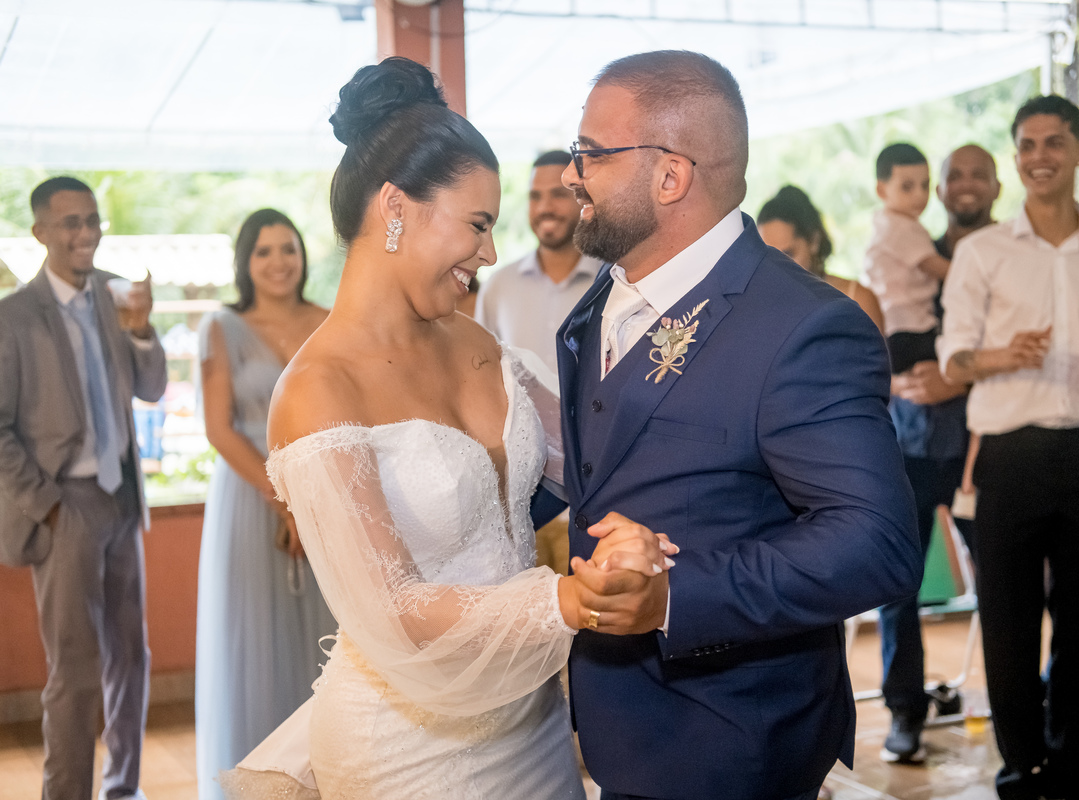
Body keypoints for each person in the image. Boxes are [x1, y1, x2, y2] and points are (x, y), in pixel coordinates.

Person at [222, 57, 673, 800]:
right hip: (406, 749)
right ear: (395, 207)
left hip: (529, 718)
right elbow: (393, 608)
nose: (491, 252)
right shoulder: (316, 390)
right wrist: (567, 600)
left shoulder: (479, 346)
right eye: (477, 224)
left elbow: (601, 464)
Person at [557, 50, 922, 800]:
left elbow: (875, 542)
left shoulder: (804, 327)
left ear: (670, 176)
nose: (571, 174)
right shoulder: (604, 300)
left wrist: (674, 597)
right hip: (622, 733)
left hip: (734, 742)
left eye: (591, 153)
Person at [938, 95, 1079, 800]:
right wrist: (1004, 355)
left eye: (1054, 143)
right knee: (1006, 622)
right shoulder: (981, 252)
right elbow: (953, 361)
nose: (1039, 157)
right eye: (1027, 145)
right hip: (1008, 457)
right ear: (1016, 158)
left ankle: (1068, 772)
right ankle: (1019, 768)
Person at [0, 176, 167, 800]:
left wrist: (143, 330)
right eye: (70, 222)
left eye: (92, 219)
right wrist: (43, 504)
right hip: (63, 503)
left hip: (123, 496)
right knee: (74, 672)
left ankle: (124, 789)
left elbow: (150, 389)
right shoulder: (13, 317)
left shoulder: (115, 294)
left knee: (132, 656)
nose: (86, 232)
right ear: (41, 231)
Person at [194, 209, 337, 799]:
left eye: (288, 248)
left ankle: (330, 773)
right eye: (264, 251)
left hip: (324, 496)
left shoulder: (331, 320)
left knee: (327, 637)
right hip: (252, 498)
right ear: (245, 263)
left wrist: (310, 501)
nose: (279, 261)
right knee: (255, 638)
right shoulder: (221, 327)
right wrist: (283, 502)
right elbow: (219, 428)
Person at [875, 144, 1000, 763]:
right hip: (908, 443)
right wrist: (902, 381)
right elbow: (880, 343)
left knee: (1004, 579)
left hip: (982, 445)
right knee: (898, 584)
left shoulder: (1006, 258)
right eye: (954, 177)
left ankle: (1018, 701)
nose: (964, 185)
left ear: (997, 185)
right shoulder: (907, 251)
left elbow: (1020, 349)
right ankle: (905, 713)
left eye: (980, 173)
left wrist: (960, 379)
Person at [475, 150, 603, 376]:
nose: (545, 208)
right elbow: (481, 371)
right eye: (535, 197)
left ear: (583, 198)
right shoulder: (498, 287)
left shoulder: (610, 282)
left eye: (558, 194)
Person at [864, 143, 953, 375]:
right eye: (907, 187)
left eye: (925, 185)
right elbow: (943, 271)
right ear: (882, 191)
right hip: (911, 328)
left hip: (893, 328)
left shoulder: (885, 224)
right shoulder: (901, 229)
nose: (920, 196)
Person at [757, 184, 885, 331]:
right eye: (770, 258)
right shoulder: (762, 307)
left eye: (788, 254)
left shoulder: (857, 299)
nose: (779, 267)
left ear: (814, 241)